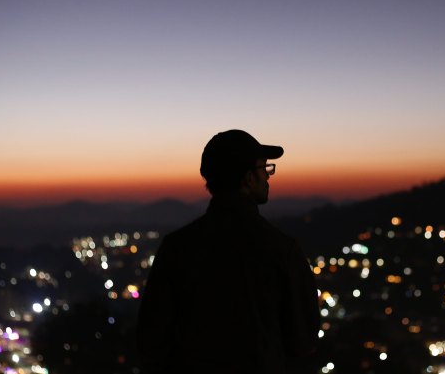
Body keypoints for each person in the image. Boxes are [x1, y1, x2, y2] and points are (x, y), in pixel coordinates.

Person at [137, 129, 320, 373]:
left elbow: (152, 339)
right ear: (248, 178)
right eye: (264, 169)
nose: (268, 177)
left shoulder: (176, 248)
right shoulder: (281, 249)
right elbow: (303, 339)